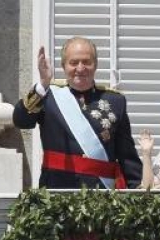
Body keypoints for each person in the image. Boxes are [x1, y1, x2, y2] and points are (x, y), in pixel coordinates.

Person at [13, 37, 142, 189]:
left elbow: (127, 155)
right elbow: (21, 121)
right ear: (63, 66)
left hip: (101, 194)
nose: (80, 68)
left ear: (96, 65)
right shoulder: (48, 96)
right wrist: (42, 86)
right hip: (57, 191)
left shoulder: (115, 101)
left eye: (86, 62)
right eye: (73, 63)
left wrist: (136, 192)